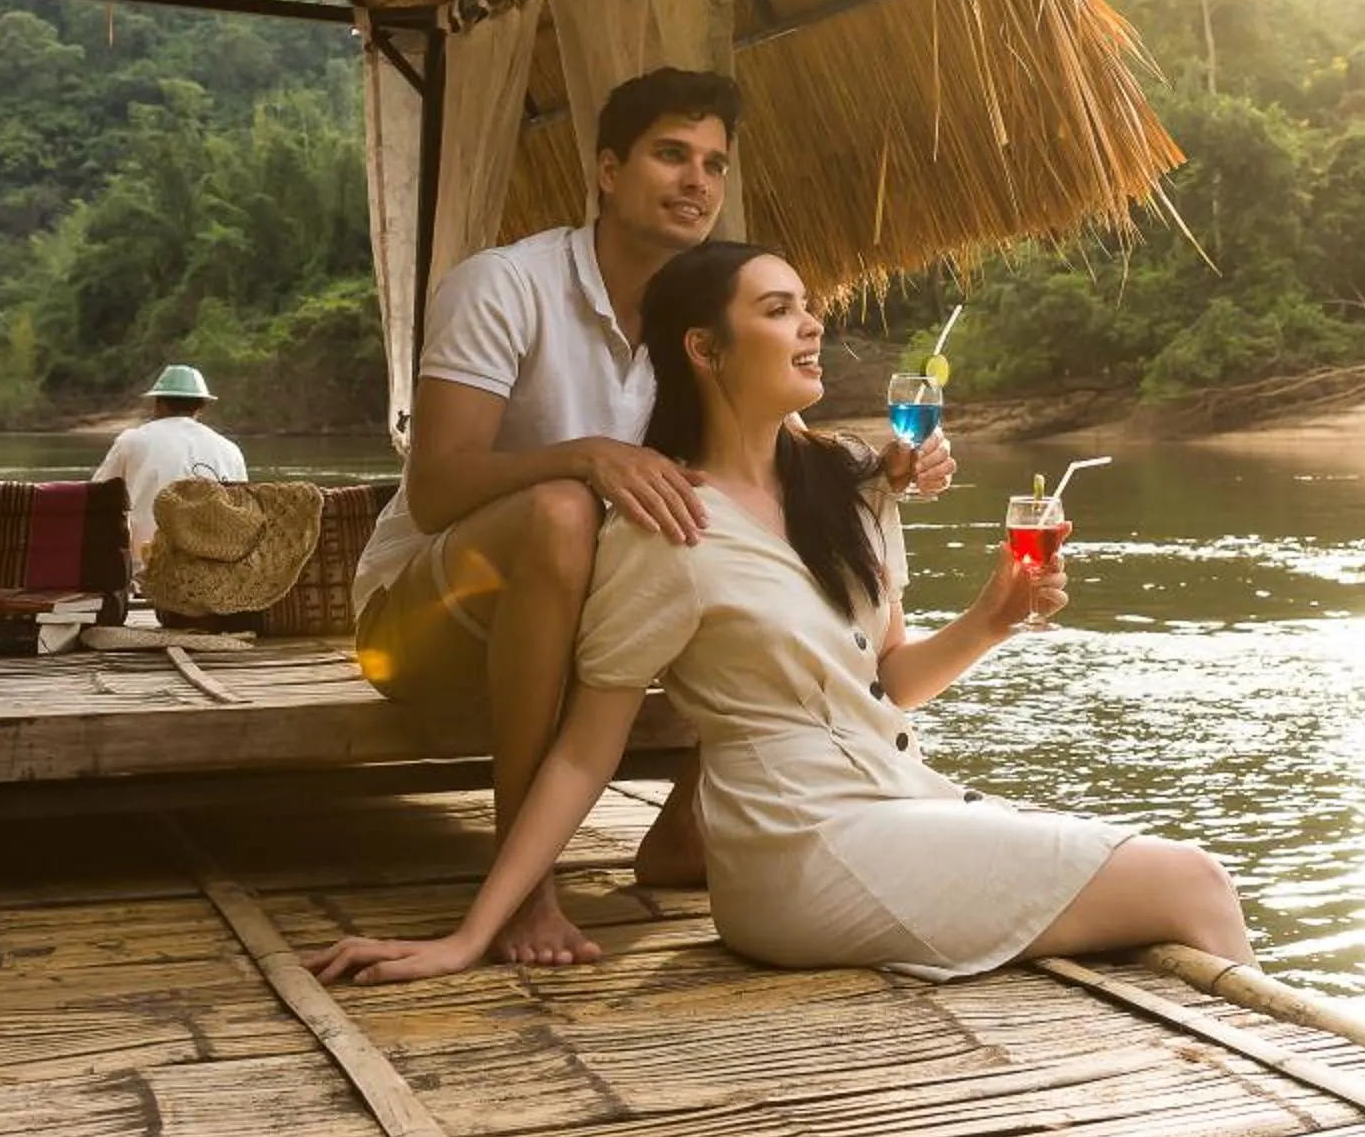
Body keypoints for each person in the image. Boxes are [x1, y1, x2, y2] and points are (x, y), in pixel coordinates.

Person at [307, 241, 1251, 987]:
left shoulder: (849, 487)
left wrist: (994, 616)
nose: (811, 325)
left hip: (896, 806)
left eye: (807, 306)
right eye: (778, 310)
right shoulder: (666, 528)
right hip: (800, 854)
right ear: (705, 350)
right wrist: (476, 930)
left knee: (1174, 886)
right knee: (1191, 879)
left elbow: (888, 685)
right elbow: (585, 750)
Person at [348, 66, 954, 967]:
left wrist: (889, 469)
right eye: (671, 155)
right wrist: (588, 454)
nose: (696, 182)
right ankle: (525, 893)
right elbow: (436, 490)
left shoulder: (702, 319)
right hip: (429, 620)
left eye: (713, 164)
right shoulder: (505, 286)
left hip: (591, 623)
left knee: (755, 552)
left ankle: (687, 829)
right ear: (606, 171)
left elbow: (778, 454)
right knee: (562, 512)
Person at [96, 363, 250, 565]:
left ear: (158, 403)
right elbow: (243, 513)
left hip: (144, 563)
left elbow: (96, 496)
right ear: (201, 406)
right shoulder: (230, 451)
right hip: (212, 566)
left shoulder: (131, 441)